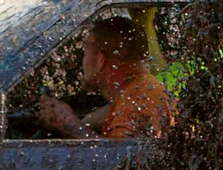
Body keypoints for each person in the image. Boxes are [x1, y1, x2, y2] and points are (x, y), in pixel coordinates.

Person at [35, 16, 176, 139]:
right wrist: (89, 120)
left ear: (100, 60)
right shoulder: (142, 90)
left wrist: (67, 122)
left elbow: (117, 160)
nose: (82, 62)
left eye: (85, 53)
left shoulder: (133, 103)